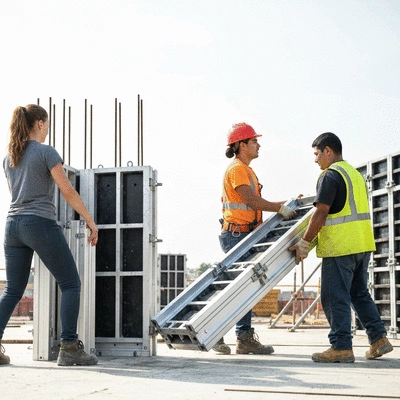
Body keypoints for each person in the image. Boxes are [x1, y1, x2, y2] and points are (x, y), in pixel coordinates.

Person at [0, 104, 99, 367]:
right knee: (70, 283)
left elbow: (15, 193)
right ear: (41, 124)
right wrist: (90, 221)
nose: (48, 131)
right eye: (48, 125)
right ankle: (69, 348)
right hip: (38, 223)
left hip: (12, 225)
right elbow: (67, 191)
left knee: (12, 290)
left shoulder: (9, 157)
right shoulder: (46, 152)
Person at [289, 132, 393, 363]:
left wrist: (305, 242)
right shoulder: (354, 174)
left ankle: (341, 346)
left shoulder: (330, 176)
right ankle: (378, 339)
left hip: (340, 246)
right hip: (362, 244)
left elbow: (322, 211)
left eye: (317, 154)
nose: (315, 160)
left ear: (328, 151)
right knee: (359, 293)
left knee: (334, 297)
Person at [213, 122, 296, 355]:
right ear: (241, 145)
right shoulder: (238, 169)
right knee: (237, 290)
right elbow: (251, 201)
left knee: (244, 289)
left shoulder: (245, 169)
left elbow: (255, 203)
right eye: (254, 141)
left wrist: (286, 205)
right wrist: (280, 208)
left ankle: (243, 337)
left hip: (242, 234)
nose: (258, 145)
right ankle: (218, 333)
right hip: (237, 235)